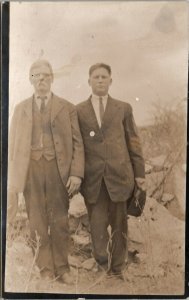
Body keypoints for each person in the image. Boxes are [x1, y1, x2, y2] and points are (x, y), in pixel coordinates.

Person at [7, 59, 84, 284]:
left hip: (58, 170)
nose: (42, 79)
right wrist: (13, 179)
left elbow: (78, 143)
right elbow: (11, 146)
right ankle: (45, 269)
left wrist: (76, 173)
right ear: (31, 79)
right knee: (36, 220)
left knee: (59, 220)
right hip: (30, 171)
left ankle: (62, 268)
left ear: (52, 78)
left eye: (46, 75)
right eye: (37, 75)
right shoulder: (20, 109)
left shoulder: (66, 107)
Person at [76, 63, 145, 280]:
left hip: (119, 177)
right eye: (95, 77)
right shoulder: (78, 110)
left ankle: (118, 268)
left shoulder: (123, 108)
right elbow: (77, 146)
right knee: (96, 224)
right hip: (93, 180)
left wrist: (140, 174)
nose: (100, 80)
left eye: (104, 77)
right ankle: (101, 263)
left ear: (110, 81)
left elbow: (133, 141)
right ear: (89, 81)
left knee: (119, 223)